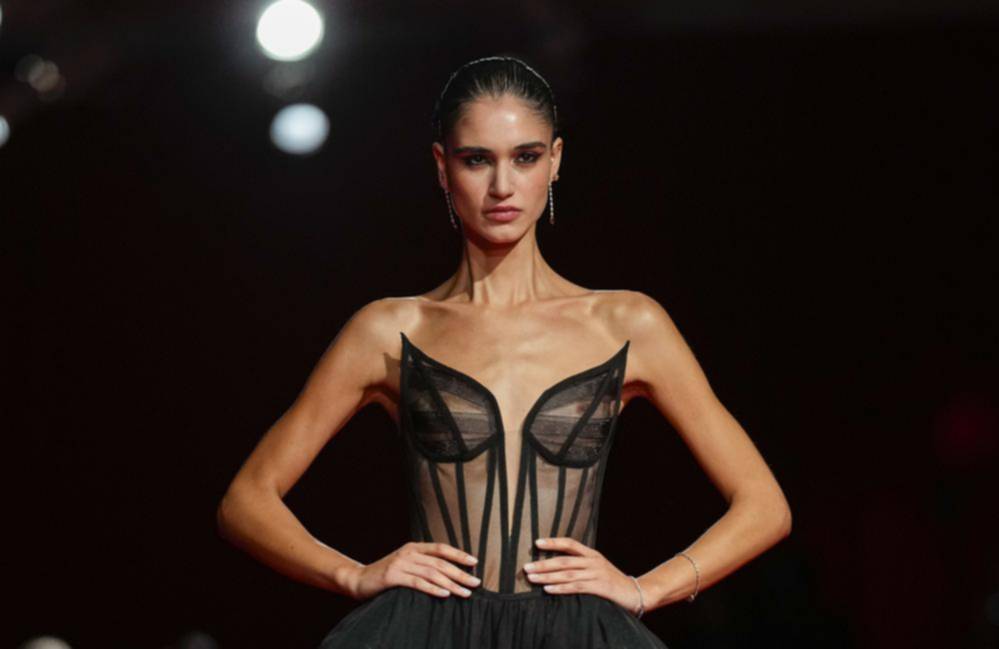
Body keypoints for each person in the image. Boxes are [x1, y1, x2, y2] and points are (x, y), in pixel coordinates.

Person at [216, 55, 792, 648]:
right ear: (442, 167)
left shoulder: (627, 325)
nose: (502, 186)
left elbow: (765, 506)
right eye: (476, 160)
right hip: (425, 633)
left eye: (525, 157)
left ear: (556, 160)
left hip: (574, 635)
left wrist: (647, 589)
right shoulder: (388, 330)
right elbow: (246, 501)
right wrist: (353, 574)